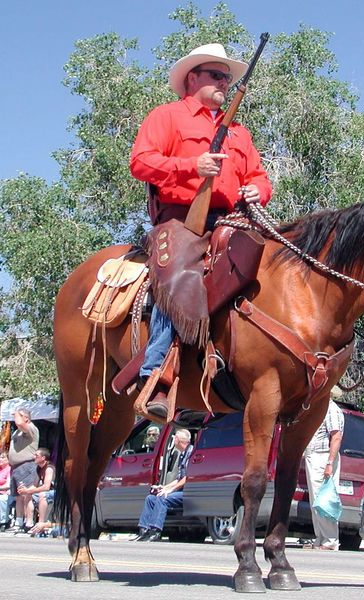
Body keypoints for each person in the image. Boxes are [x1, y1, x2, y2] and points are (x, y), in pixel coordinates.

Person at [130, 42, 273, 420]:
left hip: (232, 219)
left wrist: (259, 189)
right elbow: (141, 162)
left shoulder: (239, 133)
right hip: (180, 220)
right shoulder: (168, 116)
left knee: (275, 265)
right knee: (174, 272)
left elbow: (258, 174)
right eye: (216, 74)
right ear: (192, 78)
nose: (224, 81)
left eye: (227, 77)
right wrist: (192, 165)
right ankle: (157, 372)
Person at [132, 428, 193, 542]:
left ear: (179, 440)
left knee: (163, 498)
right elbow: (179, 479)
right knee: (150, 498)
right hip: (180, 490)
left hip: (188, 492)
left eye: (174, 438)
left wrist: (170, 491)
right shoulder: (182, 455)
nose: (173, 440)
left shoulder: (190, 453)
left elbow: (187, 478)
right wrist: (164, 487)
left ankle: (155, 532)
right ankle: (144, 531)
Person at [304, 390, 344, 551]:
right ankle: (320, 537)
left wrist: (329, 462)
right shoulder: (318, 409)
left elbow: (336, 437)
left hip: (323, 457)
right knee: (316, 501)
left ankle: (330, 540)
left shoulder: (332, 410)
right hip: (313, 456)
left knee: (325, 500)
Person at [7, 408, 39, 532]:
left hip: (26, 465)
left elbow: (20, 423)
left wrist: (17, 414)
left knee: (27, 495)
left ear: (26, 418)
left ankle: (29, 522)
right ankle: (18, 522)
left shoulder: (31, 428)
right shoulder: (17, 432)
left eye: (18, 416)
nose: (15, 419)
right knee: (18, 497)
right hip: (16, 467)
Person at [17, 448, 55, 526]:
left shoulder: (49, 468)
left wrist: (28, 491)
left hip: (53, 492)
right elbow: (35, 485)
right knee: (26, 495)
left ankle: (41, 523)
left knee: (42, 495)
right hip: (44, 491)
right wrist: (24, 490)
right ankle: (29, 523)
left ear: (43, 458)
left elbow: (46, 487)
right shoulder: (38, 468)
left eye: (36, 455)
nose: (34, 457)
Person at [0, 451, 11, 529]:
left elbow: (8, 485)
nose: (0, 459)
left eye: (3, 457)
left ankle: (3, 521)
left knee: (2, 499)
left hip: (4, 492)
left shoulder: (10, 469)